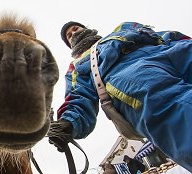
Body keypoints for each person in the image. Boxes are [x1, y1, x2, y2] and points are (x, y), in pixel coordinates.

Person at [48, 21, 192, 172]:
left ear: (84, 28)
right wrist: (68, 123)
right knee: (181, 114)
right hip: (136, 80)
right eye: (69, 36)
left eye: (75, 28)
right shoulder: (77, 67)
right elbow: (78, 97)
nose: (73, 34)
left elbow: (165, 35)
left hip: (172, 51)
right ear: (70, 45)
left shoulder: (122, 29)